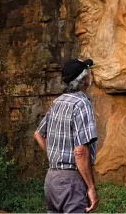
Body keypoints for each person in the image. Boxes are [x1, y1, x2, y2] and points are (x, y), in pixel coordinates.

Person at [34, 59, 99, 213]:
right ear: (83, 79)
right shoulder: (82, 103)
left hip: (51, 179)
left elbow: (38, 134)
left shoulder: (57, 102)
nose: (91, 75)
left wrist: (55, 155)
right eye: (88, 72)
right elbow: (80, 151)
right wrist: (91, 187)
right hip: (71, 181)